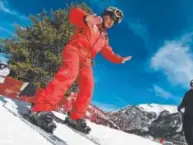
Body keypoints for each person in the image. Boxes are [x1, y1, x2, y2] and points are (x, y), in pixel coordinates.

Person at [28, 6, 132, 134]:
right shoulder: (91, 20)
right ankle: (39, 109)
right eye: (111, 17)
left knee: (88, 86)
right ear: (105, 14)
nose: (111, 22)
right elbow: (74, 13)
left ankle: (75, 117)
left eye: (115, 21)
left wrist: (120, 59)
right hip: (75, 50)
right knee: (69, 74)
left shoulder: (104, 37)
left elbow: (108, 52)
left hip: (86, 60)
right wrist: (86, 17)